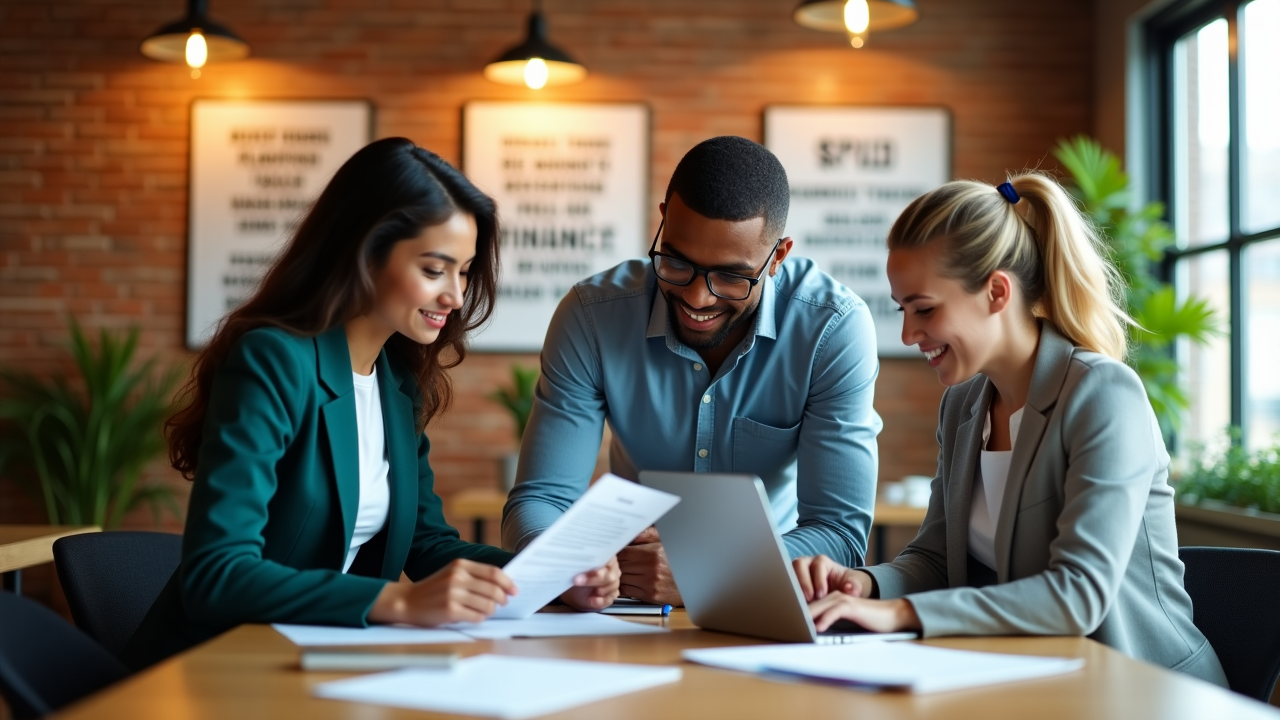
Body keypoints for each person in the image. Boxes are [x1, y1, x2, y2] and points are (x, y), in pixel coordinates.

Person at [124, 138, 618, 671]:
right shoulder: (273, 360)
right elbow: (215, 573)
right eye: (434, 269)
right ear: (365, 254)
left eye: (465, 271)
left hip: (312, 664)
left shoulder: (396, 382)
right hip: (212, 669)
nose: (455, 296)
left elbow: (426, 546)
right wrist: (398, 602)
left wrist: (551, 579)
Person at [791, 173, 1228, 685]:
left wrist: (904, 615)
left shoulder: (1102, 394)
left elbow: (1078, 594)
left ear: (997, 291)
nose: (909, 334)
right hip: (1037, 680)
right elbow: (935, 559)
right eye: (903, 310)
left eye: (925, 309)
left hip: (1144, 690)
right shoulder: (963, 406)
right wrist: (863, 585)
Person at [502, 136, 882, 605]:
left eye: (730, 277)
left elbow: (839, 533)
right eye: (677, 263)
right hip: (629, 599)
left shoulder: (832, 326)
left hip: (766, 598)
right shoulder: (593, 315)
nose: (697, 299)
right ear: (663, 220)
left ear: (777, 257)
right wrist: (565, 565)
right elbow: (540, 499)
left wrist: (709, 570)